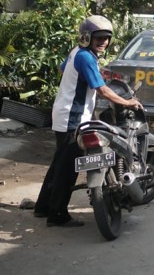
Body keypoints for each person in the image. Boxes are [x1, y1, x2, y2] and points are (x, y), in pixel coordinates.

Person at [33, 15, 143, 227]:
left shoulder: (76, 53)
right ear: (86, 37)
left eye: (106, 38)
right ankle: (57, 216)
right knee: (68, 169)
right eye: (99, 38)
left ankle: (43, 207)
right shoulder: (86, 58)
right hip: (73, 119)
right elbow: (102, 90)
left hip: (64, 114)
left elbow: (63, 69)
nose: (103, 42)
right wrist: (127, 102)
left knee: (59, 164)